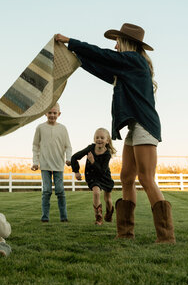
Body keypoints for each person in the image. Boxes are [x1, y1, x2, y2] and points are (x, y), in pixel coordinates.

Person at [55, 24, 175, 244]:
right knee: (126, 178)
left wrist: (72, 42)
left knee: (146, 178)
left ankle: (166, 236)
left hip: (145, 126)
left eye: (118, 40)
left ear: (128, 43)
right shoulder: (127, 66)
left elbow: (104, 55)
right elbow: (102, 68)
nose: (115, 45)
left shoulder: (134, 61)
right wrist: (76, 58)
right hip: (135, 127)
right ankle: (126, 232)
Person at [31, 103, 72, 222]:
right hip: (45, 164)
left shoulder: (63, 129)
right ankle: (45, 217)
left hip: (58, 164)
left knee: (60, 190)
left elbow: (68, 146)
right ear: (45, 113)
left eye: (55, 113)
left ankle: (64, 217)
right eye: (50, 112)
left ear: (59, 114)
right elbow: (35, 146)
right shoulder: (40, 127)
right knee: (47, 190)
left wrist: (68, 159)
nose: (52, 115)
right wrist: (35, 162)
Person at [71, 127, 116, 226]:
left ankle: (109, 213)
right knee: (96, 192)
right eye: (97, 137)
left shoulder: (107, 154)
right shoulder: (90, 148)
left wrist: (92, 161)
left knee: (108, 199)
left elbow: (102, 171)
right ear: (94, 139)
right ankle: (98, 217)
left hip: (104, 176)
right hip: (92, 176)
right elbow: (74, 157)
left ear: (107, 141)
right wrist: (76, 171)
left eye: (102, 138)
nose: (99, 139)